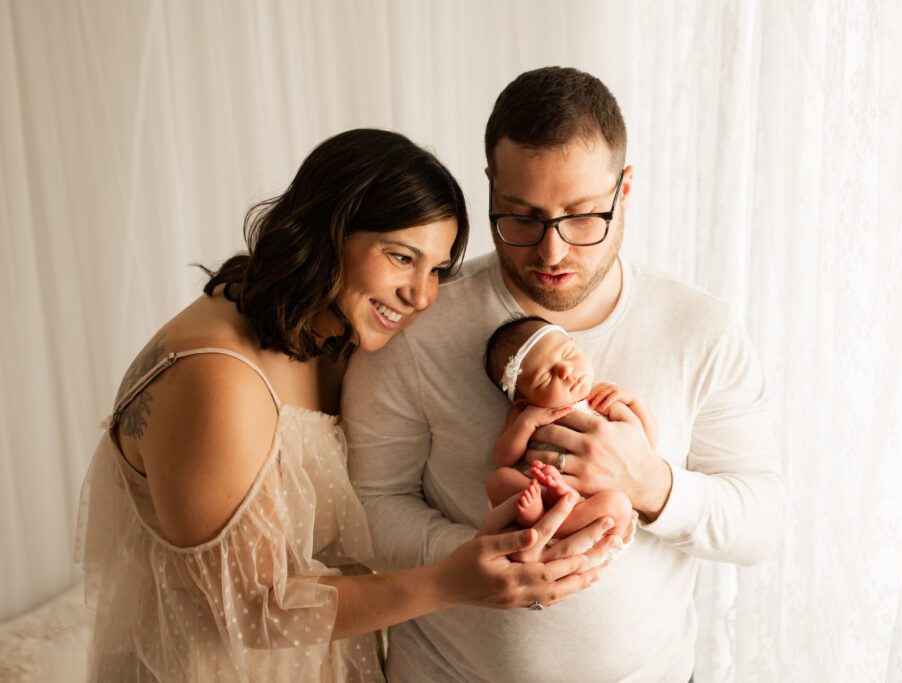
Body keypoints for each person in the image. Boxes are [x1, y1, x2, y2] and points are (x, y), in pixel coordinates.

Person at [74, 128, 617, 683]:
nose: (421, 296)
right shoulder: (216, 380)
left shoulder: (327, 333)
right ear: (326, 231)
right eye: (401, 257)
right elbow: (250, 611)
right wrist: (450, 582)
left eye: (436, 270)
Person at [343, 68, 786, 682]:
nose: (551, 253)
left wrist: (650, 483)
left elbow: (760, 525)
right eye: (522, 218)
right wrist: (482, 562)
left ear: (624, 191)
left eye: (581, 217)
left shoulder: (699, 329)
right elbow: (368, 507)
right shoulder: (416, 321)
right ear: (491, 188)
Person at [482, 314, 651, 538]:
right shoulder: (525, 413)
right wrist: (527, 422)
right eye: (544, 377)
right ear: (523, 400)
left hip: (589, 505)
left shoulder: (602, 400)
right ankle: (542, 513)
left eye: (568, 354)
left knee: (618, 503)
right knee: (498, 480)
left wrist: (634, 403)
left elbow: (645, 447)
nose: (565, 371)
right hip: (541, 492)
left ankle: (550, 521)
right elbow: (503, 457)